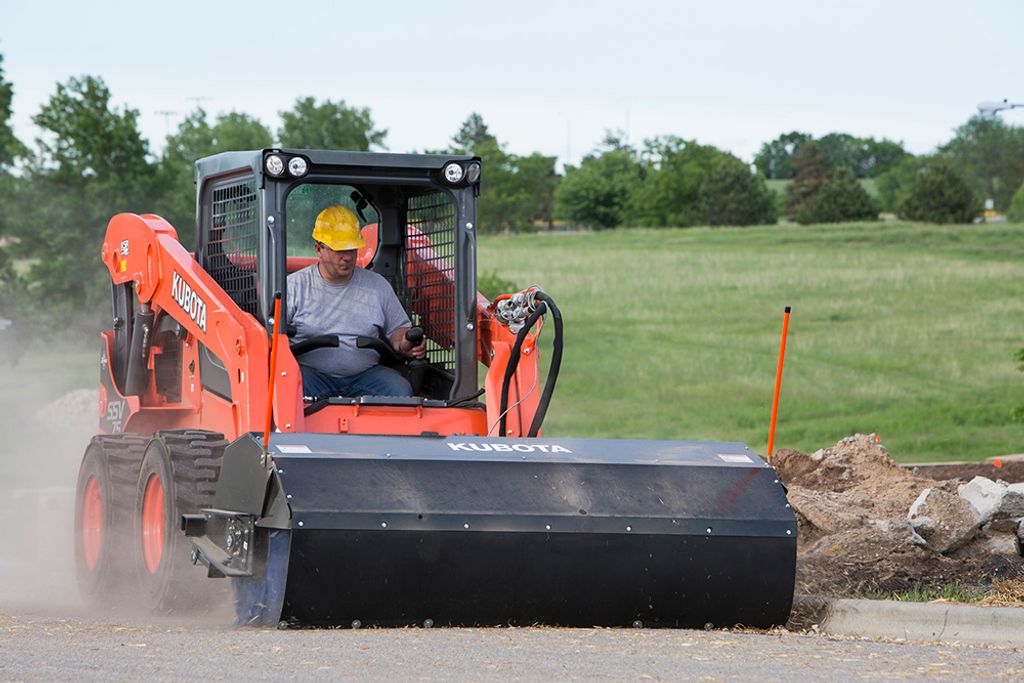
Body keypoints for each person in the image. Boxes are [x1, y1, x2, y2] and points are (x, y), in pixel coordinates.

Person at [287, 205, 426, 397]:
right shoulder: (294, 287)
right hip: (311, 376)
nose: (347, 257)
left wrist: (405, 343)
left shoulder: (377, 286)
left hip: (365, 376)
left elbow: (398, 329)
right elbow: (273, 337)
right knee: (289, 387)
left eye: (352, 249)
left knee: (400, 390)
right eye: (339, 250)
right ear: (318, 249)